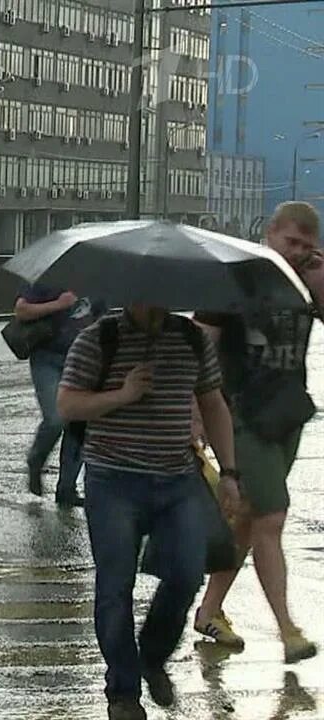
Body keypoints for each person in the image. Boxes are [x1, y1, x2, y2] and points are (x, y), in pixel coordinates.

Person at [57, 305, 238, 720]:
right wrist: (123, 394)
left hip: (177, 480)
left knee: (187, 573)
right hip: (112, 481)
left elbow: (213, 404)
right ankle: (123, 692)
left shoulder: (191, 339)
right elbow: (67, 405)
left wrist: (229, 472)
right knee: (115, 587)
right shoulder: (98, 339)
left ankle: (152, 657)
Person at [192, 201, 319, 663]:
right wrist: (196, 411)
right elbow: (201, 341)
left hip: (286, 415)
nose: (300, 252)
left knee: (246, 520)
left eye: (308, 245)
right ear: (269, 235)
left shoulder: (308, 282)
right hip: (239, 414)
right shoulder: (236, 278)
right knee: (271, 517)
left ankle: (209, 610)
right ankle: (288, 630)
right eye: (292, 242)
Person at [14, 284, 105, 506]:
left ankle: (67, 489)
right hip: (47, 357)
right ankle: (36, 459)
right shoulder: (51, 278)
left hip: (82, 359)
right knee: (56, 418)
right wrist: (59, 304)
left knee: (79, 423)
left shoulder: (100, 279)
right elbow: (21, 311)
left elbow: (101, 319)